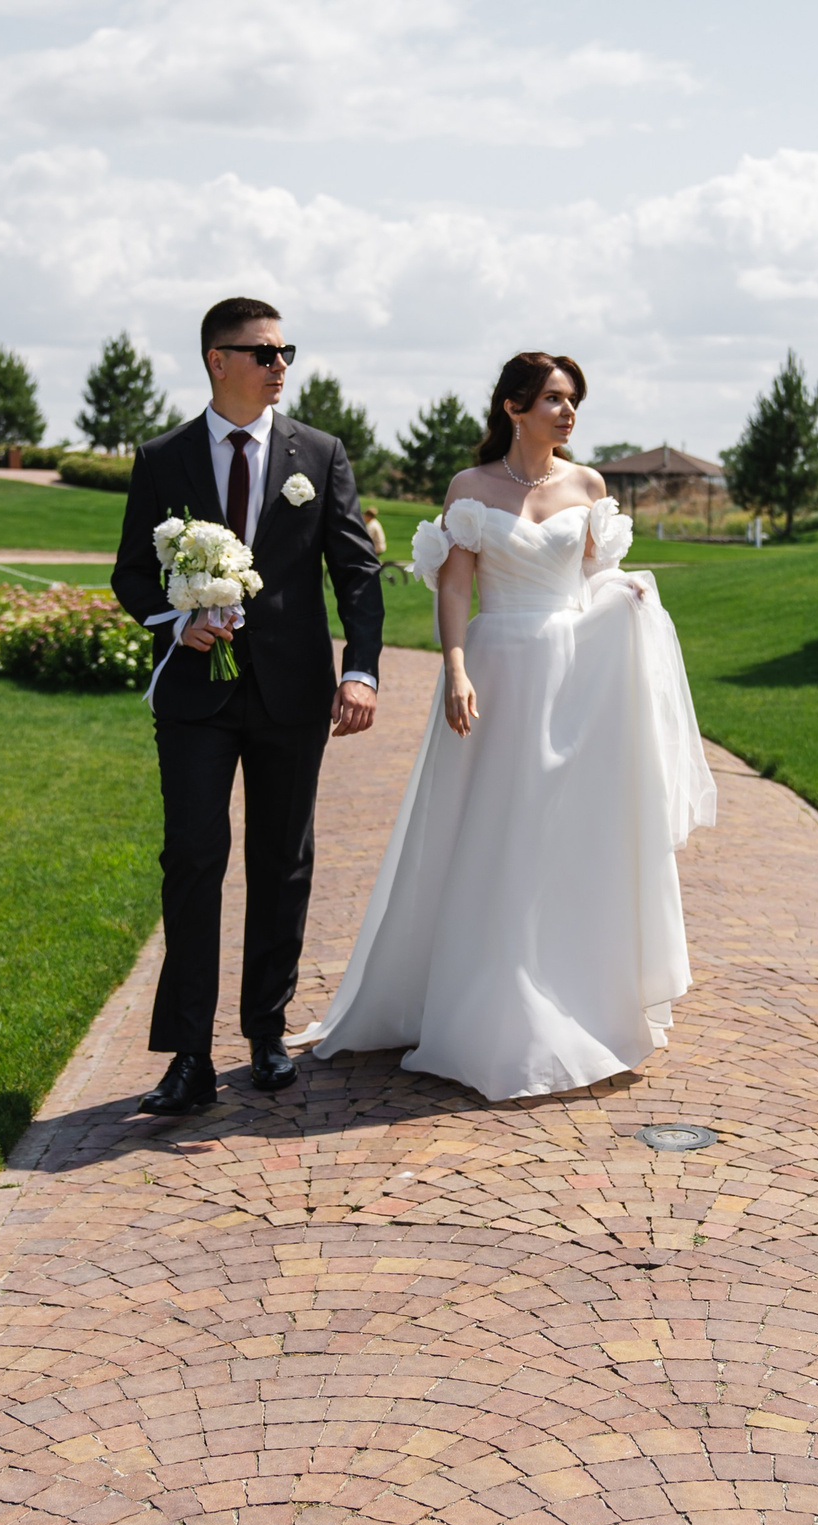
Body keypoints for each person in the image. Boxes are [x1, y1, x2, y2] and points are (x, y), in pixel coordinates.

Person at [306, 352, 716, 1101]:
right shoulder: (471, 489)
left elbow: (590, 583)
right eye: (554, 400)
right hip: (495, 672)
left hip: (572, 678)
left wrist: (625, 598)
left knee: (561, 834)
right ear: (512, 408)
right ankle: (481, 1000)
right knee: (491, 828)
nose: (567, 413)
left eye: (573, 401)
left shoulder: (588, 486)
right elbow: (455, 587)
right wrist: (454, 669)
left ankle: (571, 991)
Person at [109, 297, 385, 1114]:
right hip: (194, 697)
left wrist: (361, 670)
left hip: (292, 695)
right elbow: (131, 572)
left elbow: (357, 576)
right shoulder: (162, 457)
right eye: (263, 352)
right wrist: (177, 618)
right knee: (192, 859)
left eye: (285, 352)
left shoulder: (320, 454)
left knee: (282, 861)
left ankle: (265, 1030)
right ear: (216, 360)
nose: (279, 367)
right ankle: (187, 1054)